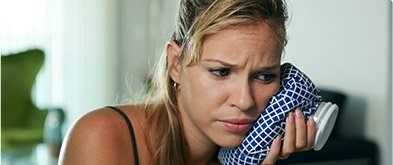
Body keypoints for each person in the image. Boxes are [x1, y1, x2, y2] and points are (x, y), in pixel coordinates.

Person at [58, 0, 317, 164]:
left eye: (264, 76)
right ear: (176, 65)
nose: (244, 100)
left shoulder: (249, 156)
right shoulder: (101, 137)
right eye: (221, 72)